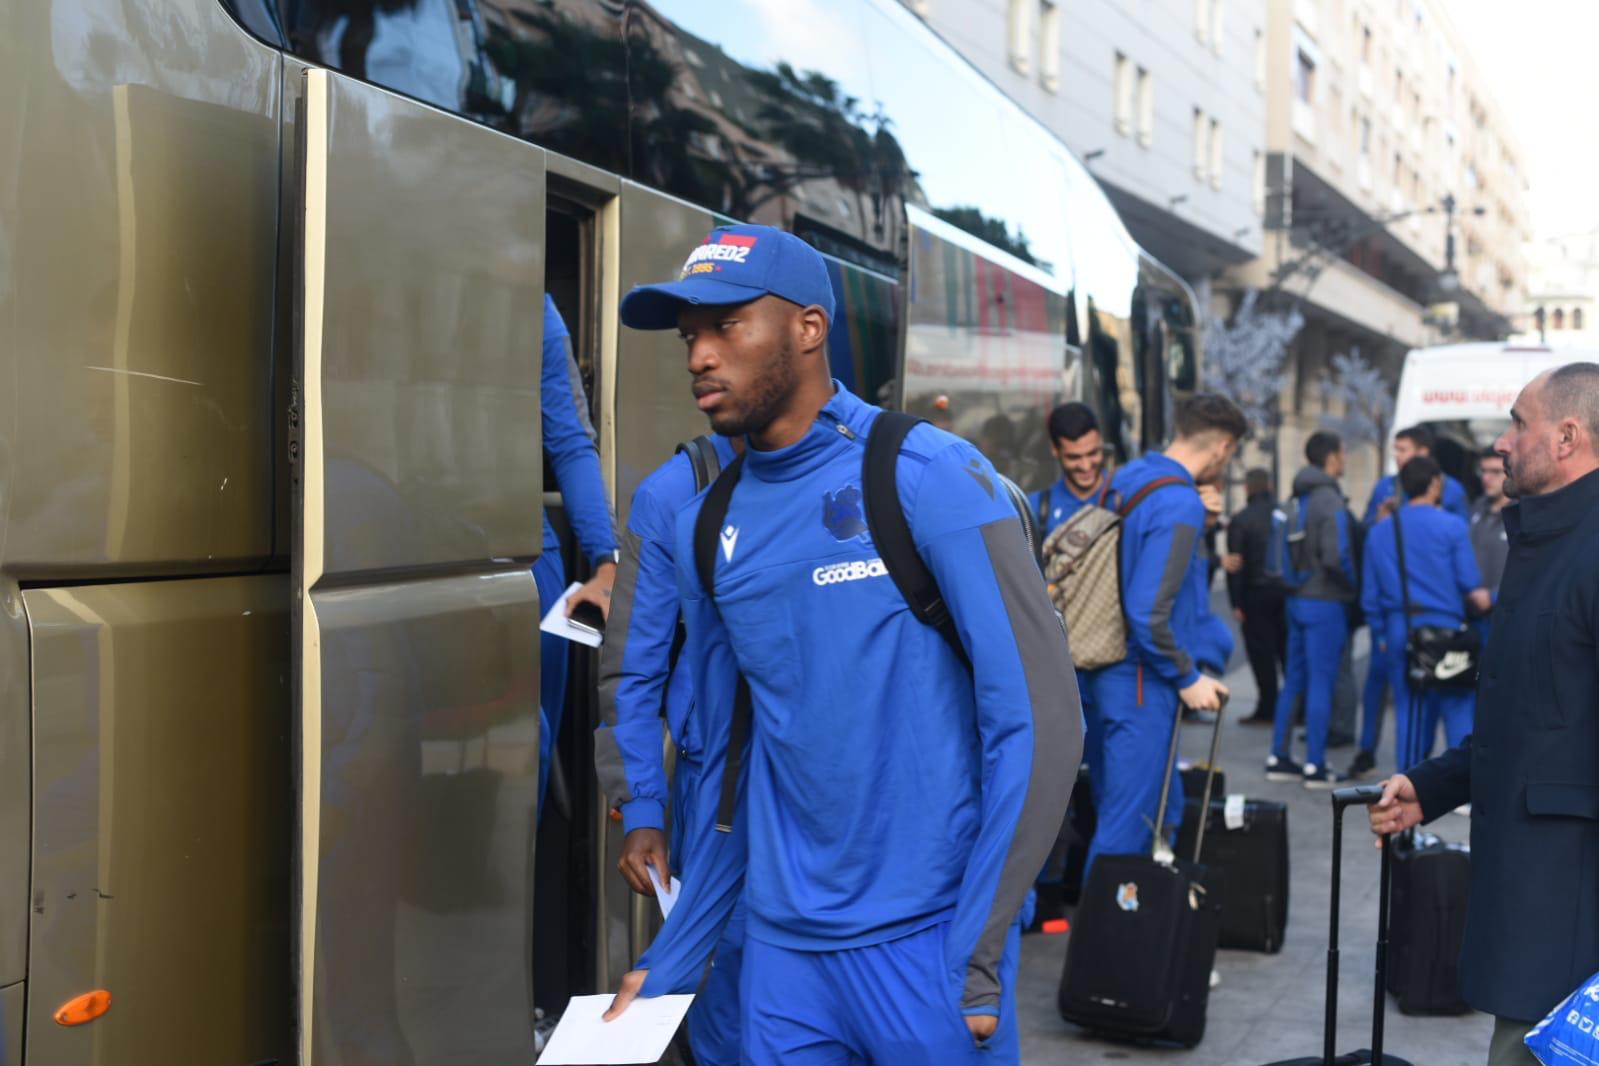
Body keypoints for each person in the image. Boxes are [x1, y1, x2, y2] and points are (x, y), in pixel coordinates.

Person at [603, 224, 1081, 1063]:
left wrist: (976, 947)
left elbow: (1040, 725)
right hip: (782, 964)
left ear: (808, 329)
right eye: (690, 338)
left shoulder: (928, 476)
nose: (700, 358)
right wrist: (671, 963)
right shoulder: (704, 524)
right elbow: (728, 772)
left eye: (727, 326)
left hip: (924, 942)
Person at [1368, 362, 1599, 1066]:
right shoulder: (1545, 540)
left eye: (1517, 422)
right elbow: (1534, 713)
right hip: (1539, 910)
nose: (1501, 441)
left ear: (1565, 436)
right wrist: (1434, 785)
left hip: (1572, 931)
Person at [594, 434, 743, 1064]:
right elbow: (632, 670)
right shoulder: (674, 494)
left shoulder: (868, 469)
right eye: (693, 336)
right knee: (724, 997)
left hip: (836, 791)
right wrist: (644, 808)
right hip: (719, 795)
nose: (704, 358)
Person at [1079, 394, 1244, 874]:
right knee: (1127, 830)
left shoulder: (1132, 476)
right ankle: (1104, 944)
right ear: (1223, 448)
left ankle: (1137, 934)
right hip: (1141, 683)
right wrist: (1187, 675)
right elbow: (1148, 611)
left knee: (1151, 812)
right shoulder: (1179, 503)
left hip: (1104, 670)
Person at [535, 295, 619, 810]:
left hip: (519, 556)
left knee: (527, 750)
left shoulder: (536, 308)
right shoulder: (535, 305)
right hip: (520, 559)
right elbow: (570, 443)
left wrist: (606, 558)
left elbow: (569, 441)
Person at [1358, 456, 1490, 773]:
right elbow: (1469, 582)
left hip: (1399, 628)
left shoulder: (1380, 532)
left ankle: (1409, 784)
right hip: (1445, 629)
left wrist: (1380, 634)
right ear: (1434, 484)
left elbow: (1370, 596)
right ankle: (1464, 787)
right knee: (1457, 707)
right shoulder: (1453, 527)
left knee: (1408, 710)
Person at [1265, 431, 1360, 788]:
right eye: (1343, 452)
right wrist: (1352, 586)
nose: (1345, 458)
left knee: (1294, 681)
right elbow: (1337, 555)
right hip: (1325, 601)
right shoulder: (1329, 500)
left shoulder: (1298, 494)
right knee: (1322, 682)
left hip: (1296, 598)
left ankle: (1279, 756)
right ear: (1332, 457)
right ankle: (1315, 765)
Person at [1225, 468, 1287, 726]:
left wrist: (1236, 602)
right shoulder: (1284, 515)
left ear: (1247, 488)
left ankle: (1267, 707)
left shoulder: (1241, 519)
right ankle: (1296, 707)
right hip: (1285, 592)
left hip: (1254, 593)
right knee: (1287, 653)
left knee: (1261, 655)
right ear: (1270, 485)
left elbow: (1235, 565)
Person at [1029, 402, 1107, 536]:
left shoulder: (1126, 498)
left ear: (1101, 441)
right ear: (1055, 450)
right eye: (1074, 457)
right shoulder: (1035, 509)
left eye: (1092, 453)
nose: (1085, 466)